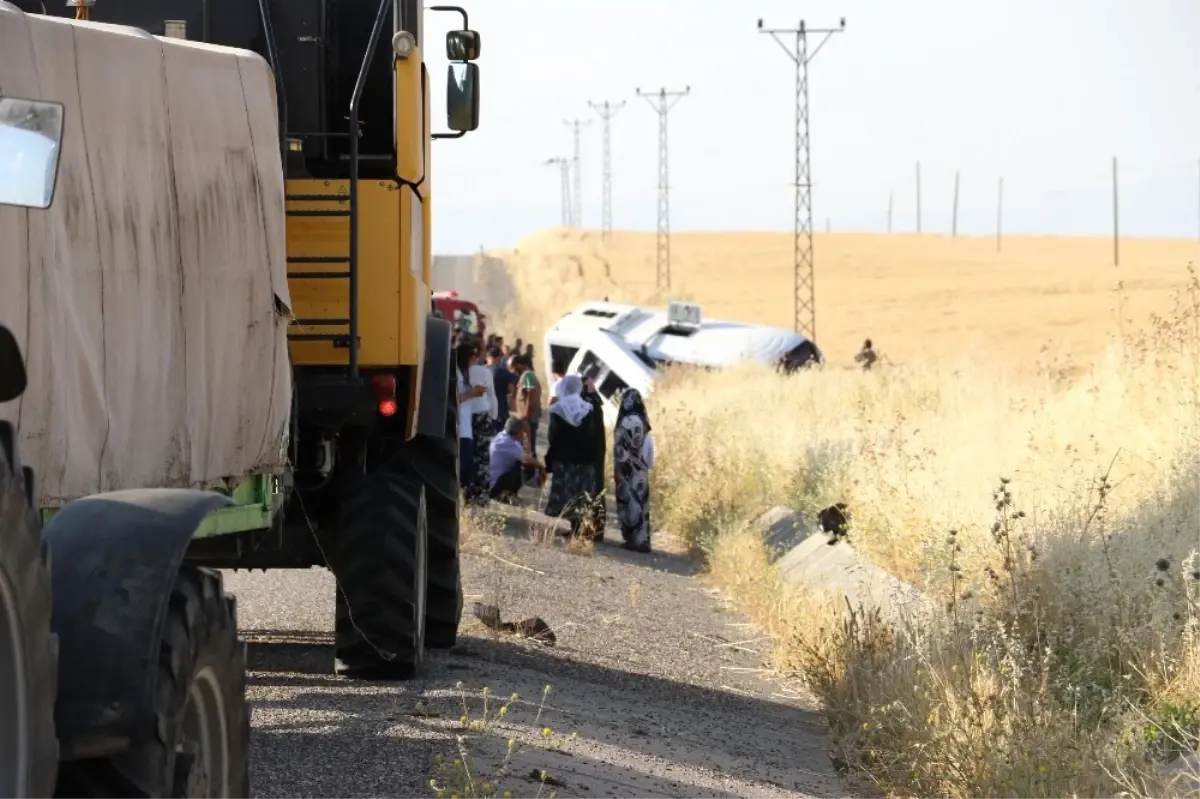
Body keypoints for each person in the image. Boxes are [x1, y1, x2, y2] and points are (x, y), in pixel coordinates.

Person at [543, 375, 604, 540]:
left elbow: (553, 437)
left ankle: (572, 526)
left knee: (566, 493)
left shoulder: (558, 409)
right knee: (581, 494)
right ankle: (578, 527)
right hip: (585, 459)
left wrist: (551, 457)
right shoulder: (588, 408)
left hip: (565, 459)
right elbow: (593, 434)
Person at [613, 388, 655, 553]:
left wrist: (618, 470)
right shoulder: (644, 424)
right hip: (641, 472)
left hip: (625, 471)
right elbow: (649, 452)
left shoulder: (623, 422)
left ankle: (631, 539)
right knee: (641, 504)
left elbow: (619, 450)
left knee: (627, 504)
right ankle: (642, 540)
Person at [467, 345, 498, 503]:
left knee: (467, 453)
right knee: (483, 457)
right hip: (482, 415)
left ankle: (466, 489)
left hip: (464, 415)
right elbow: (492, 396)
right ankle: (480, 494)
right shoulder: (484, 372)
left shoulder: (458, 372)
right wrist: (493, 417)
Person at [455, 341, 488, 492]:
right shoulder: (457, 374)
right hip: (459, 427)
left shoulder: (466, 374)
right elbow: (454, 398)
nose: (475, 360)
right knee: (464, 469)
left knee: (468, 469)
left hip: (466, 426)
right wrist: (472, 393)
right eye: (472, 357)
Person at [489, 418, 545, 503]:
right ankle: (506, 495)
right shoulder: (510, 444)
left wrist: (526, 438)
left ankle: (510, 494)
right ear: (518, 432)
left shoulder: (501, 436)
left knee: (522, 464)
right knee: (528, 467)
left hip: (490, 481)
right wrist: (541, 467)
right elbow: (527, 459)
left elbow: (527, 454)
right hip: (495, 486)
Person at [581, 366, 608, 537]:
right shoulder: (595, 403)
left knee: (588, 490)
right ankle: (596, 530)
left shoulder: (589, 405)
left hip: (589, 453)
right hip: (596, 452)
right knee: (596, 489)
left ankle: (589, 529)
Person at [512, 355, 543, 460]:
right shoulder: (527, 375)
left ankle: (531, 471)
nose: (513, 369)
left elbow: (531, 394)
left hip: (528, 419)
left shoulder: (528, 376)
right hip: (527, 419)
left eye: (515, 366)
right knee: (528, 446)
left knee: (528, 447)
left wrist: (526, 415)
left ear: (522, 365)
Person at [487, 345, 516, 421]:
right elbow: (512, 389)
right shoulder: (503, 371)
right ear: (499, 357)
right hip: (500, 410)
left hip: (484, 410)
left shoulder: (482, 370)